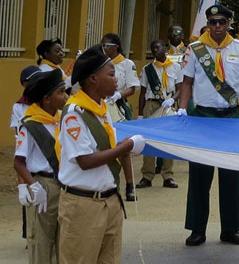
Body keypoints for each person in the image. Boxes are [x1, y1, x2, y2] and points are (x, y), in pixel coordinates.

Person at [178, 4, 239, 247]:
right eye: (213, 22)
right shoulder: (194, 49)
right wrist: (182, 107)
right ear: (207, 24)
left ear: (229, 23)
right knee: (200, 174)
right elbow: (187, 82)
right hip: (203, 117)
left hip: (231, 117)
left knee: (231, 173)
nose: (217, 26)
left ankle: (230, 229)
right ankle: (197, 229)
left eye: (221, 22)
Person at [57, 45, 145, 263]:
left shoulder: (102, 108)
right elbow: (85, 161)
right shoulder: (74, 114)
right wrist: (124, 148)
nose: (117, 81)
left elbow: (107, 148)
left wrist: (123, 148)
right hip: (84, 204)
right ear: (93, 79)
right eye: (112, 75)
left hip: (109, 200)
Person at [14, 69, 67, 263]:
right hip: (43, 184)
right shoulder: (30, 124)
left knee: (64, 242)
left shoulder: (63, 120)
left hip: (65, 183)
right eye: (61, 92)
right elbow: (19, 162)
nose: (66, 96)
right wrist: (31, 185)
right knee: (41, 242)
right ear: (47, 99)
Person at [135, 40, 182, 189]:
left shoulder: (175, 67)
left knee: (168, 140)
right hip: (151, 103)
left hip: (167, 104)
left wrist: (173, 100)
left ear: (165, 48)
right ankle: (147, 175)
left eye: (158, 47)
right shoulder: (148, 69)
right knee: (148, 140)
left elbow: (181, 88)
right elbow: (142, 92)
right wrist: (140, 114)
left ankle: (168, 175)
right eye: (152, 48)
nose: (155, 50)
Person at [11, 66, 41, 243]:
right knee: (30, 198)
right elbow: (19, 139)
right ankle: (31, 236)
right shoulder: (19, 106)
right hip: (29, 157)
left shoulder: (49, 100)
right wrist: (20, 184)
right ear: (25, 84)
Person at [101, 33, 140, 120]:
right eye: (102, 46)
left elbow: (132, 88)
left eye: (106, 45)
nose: (103, 48)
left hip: (119, 103)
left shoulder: (127, 64)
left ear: (116, 47)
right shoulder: (101, 63)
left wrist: (118, 95)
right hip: (102, 103)